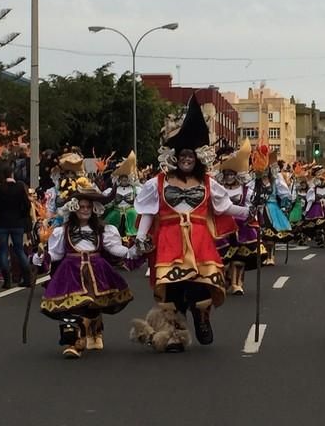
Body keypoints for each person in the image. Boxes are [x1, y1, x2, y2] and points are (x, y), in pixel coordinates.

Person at [133, 95, 251, 352]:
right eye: (182, 154)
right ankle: (175, 335)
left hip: (199, 240)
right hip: (169, 239)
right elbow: (148, 211)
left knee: (202, 284)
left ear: (197, 158)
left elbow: (224, 207)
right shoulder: (158, 183)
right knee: (173, 290)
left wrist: (248, 213)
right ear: (175, 157)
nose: (187, 158)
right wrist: (141, 237)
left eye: (191, 155)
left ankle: (201, 316)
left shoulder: (208, 183)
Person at [38, 179, 136, 358]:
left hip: (96, 271)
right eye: (81, 206)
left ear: (93, 209)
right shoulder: (63, 230)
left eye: (88, 207)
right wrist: (40, 257)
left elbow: (115, 249)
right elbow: (56, 254)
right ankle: (74, 343)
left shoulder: (103, 230)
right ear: (75, 208)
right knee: (74, 308)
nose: (84, 210)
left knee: (91, 306)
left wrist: (133, 251)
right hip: (71, 272)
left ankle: (94, 330)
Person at [214, 139, 266, 295]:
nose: (229, 176)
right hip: (223, 227)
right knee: (224, 260)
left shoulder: (245, 190)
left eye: (232, 173)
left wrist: (256, 207)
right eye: (226, 173)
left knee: (239, 259)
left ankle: (237, 284)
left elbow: (251, 206)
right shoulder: (218, 189)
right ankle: (224, 280)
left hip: (242, 227)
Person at [0, 164, 32, 288]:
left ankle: (7, 280)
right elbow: (27, 205)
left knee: (3, 250)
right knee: (19, 249)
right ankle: (27, 277)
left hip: (2, 222)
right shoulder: (19, 187)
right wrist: (21, 215)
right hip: (17, 222)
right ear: (12, 174)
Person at [102, 151, 141, 239]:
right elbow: (108, 202)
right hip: (117, 211)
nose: (124, 179)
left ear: (129, 178)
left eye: (125, 177)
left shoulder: (135, 189)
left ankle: (133, 238)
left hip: (131, 212)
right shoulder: (113, 190)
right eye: (122, 178)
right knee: (109, 227)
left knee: (133, 216)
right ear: (118, 179)